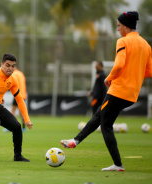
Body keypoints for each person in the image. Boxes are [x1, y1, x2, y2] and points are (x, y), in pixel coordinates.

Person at [60, 11, 152, 171]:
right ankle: (75, 141)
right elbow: (150, 72)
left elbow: (118, 65)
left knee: (106, 124)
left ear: (125, 26)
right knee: (100, 115)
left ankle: (117, 164)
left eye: (118, 26)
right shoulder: (146, 45)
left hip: (119, 90)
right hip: (132, 94)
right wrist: (134, 73)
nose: (117, 29)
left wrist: (109, 78)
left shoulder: (123, 41)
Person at [11, 66, 28, 132]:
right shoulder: (21, 73)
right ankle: (23, 128)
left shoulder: (14, 74)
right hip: (23, 95)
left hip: (17, 94)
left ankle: (12, 126)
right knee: (22, 113)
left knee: (12, 111)